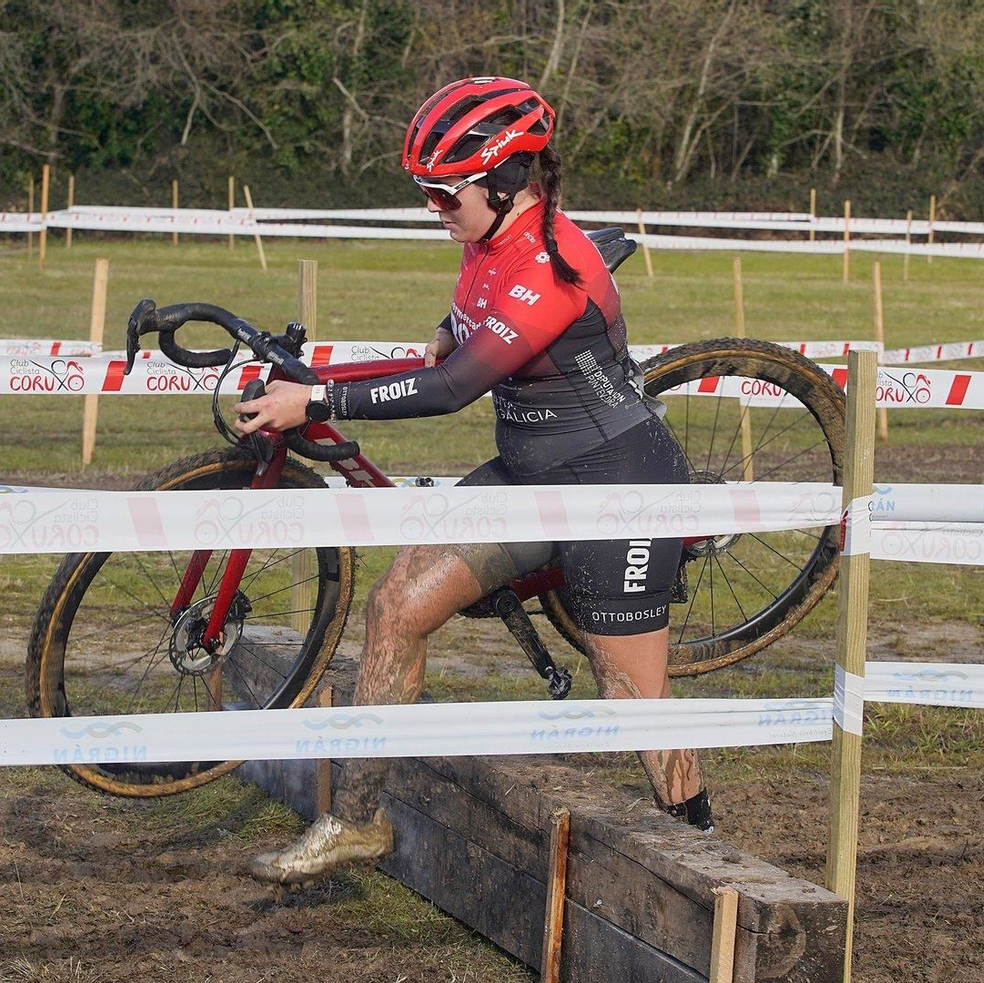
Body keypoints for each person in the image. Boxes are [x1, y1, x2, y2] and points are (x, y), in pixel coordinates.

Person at [233, 76, 710, 885]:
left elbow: (454, 387)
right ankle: (357, 821)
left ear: (505, 180)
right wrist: (437, 334)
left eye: (444, 195)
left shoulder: (551, 266)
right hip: (528, 472)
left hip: (618, 484)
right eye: (426, 194)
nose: (434, 210)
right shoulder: (487, 239)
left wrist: (315, 396)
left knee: (631, 692)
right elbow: (455, 341)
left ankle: (703, 848)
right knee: (397, 605)